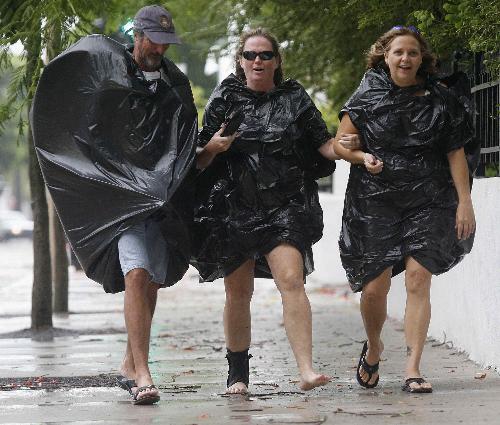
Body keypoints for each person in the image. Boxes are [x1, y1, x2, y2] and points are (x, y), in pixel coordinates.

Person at [31, 5, 198, 405]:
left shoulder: (175, 85)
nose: (160, 48)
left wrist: (204, 152)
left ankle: (130, 361)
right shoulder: (111, 73)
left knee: (151, 282)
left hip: (160, 201)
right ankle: (143, 373)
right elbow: (92, 128)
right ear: (137, 36)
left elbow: (183, 137)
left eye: (165, 42)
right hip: (120, 202)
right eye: (154, 40)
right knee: (136, 275)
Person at [192, 28, 360, 394]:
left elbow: (323, 146)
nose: (258, 61)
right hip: (234, 207)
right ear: (240, 60)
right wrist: (215, 147)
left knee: (292, 281)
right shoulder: (225, 96)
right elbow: (200, 160)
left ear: (276, 61)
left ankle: (306, 369)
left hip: (285, 206)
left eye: (265, 55)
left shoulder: (294, 97)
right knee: (238, 292)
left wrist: (342, 146)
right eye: (251, 55)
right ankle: (237, 374)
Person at [332, 26, 476, 393]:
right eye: (398, 52)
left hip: (429, 198)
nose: (405, 59)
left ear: (421, 58)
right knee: (375, 288)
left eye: (412, 53)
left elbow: (455, 151)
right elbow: (340, 145)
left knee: (417, 279)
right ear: (385, 55)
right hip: (375, 200)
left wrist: (464, 202)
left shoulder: (440, 99)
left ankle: (413, 367)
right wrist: (361, 155)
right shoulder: (366, 96)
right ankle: (375, 346)